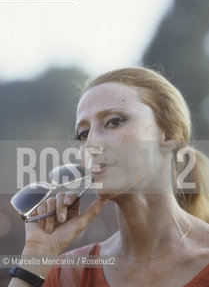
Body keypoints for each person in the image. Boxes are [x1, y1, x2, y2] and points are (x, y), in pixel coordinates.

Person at [9, 67, 209, 287]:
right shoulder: (69, 274)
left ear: (168, 135)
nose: (91, 144)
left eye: (114, 121)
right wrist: (36, 255)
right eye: (83, 134)